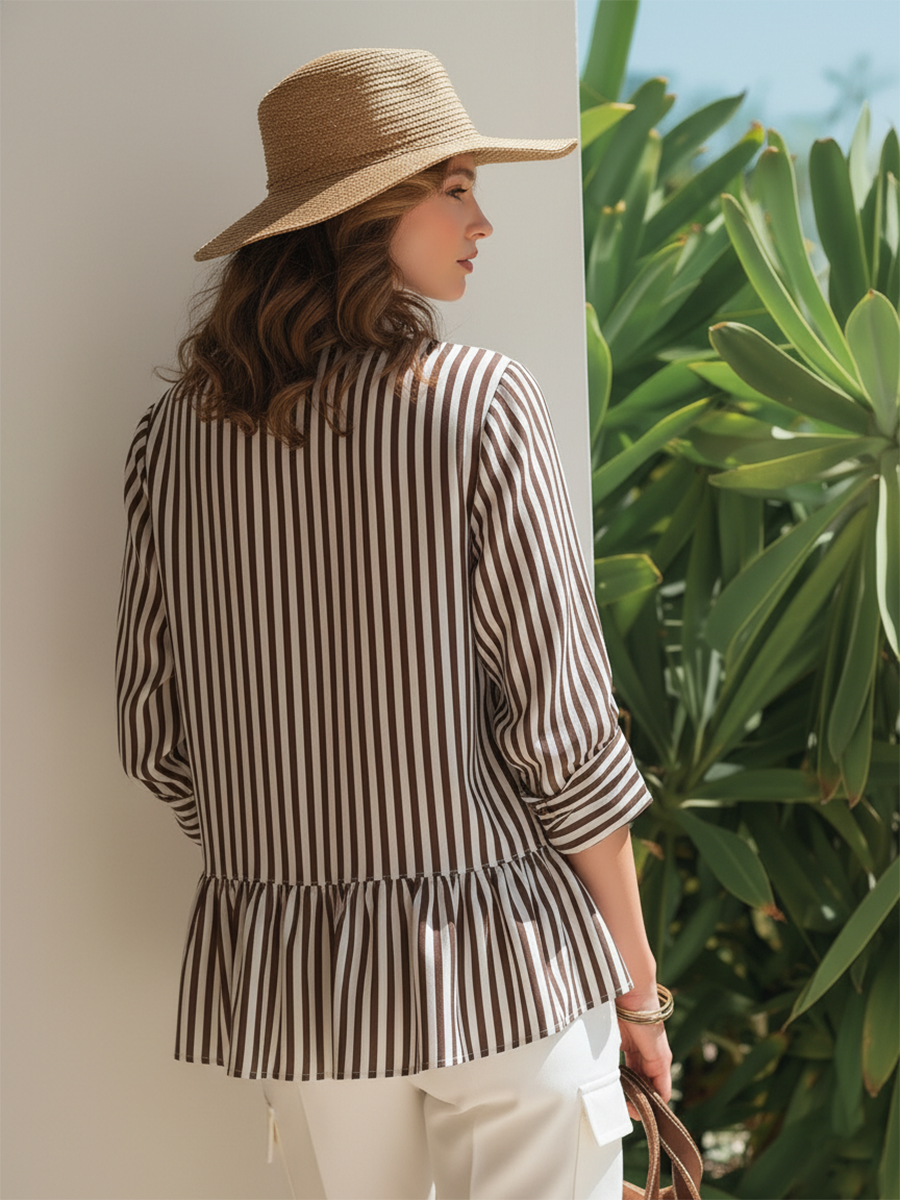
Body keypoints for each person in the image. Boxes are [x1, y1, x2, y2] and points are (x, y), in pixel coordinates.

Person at [116, 47, 672, 1200]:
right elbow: (564, 733)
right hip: (507, 970)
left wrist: (299, 861)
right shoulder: (479, 403)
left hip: (306, 989)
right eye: (455, 188)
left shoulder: (172, 442)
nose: (483, 223)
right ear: (364, 217)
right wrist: (638, 990)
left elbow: (157, 734)